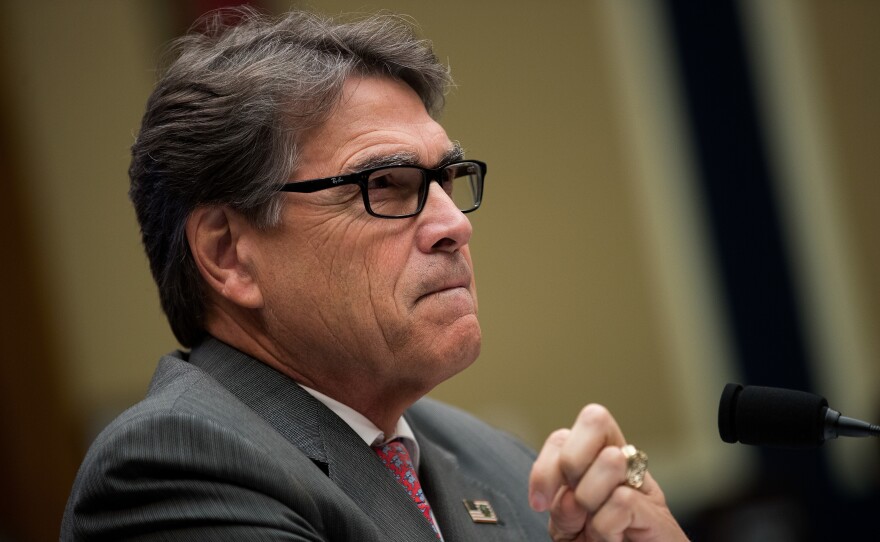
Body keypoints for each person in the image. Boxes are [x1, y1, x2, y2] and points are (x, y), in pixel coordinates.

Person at [62, 8, 688, 541]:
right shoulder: (170, 467)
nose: (454, 226)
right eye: (384, 185)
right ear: (229, 253)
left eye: (446, 179)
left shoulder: (491, 455)